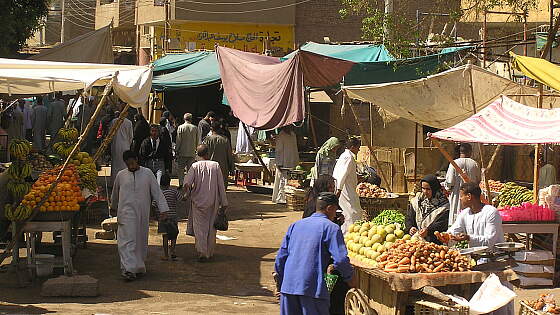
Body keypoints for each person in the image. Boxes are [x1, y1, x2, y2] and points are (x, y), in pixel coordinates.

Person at [275, 192, 354, 315]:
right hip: (312, 290)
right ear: (330, 208)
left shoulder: (295, 225)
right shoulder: (331, 228)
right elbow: (341, 260)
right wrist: (350, 279)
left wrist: (280, 283)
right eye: (335, 211)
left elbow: (281, 258)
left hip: (288, 287)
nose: (335, 215)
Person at [445, 182, 511, 315]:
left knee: (497, 303)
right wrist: (446, 236)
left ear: (469, 196)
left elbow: (489, 241)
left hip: (495, 262)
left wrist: (468, 238)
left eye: (461, 196)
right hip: (477, 263)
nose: (460, 199)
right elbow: (453, 231)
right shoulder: (465, 214)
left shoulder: (491, 212)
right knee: (480, 302)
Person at [111, 150, 169, 281]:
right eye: (128, 164)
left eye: (132, 163)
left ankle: (138, 267)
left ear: (137, 160)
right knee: (126, 241)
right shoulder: (121, 175)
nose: (131, 166)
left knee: (140, 240)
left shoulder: (147, 174)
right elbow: (115, 193)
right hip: (125, 214)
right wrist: (113, 207)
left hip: (142, 213)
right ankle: (128, 269)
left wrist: (163, 210)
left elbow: (157, 192)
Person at [184, 144, 228, 261]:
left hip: (198, 202)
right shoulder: (215, 165)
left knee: (200, 228)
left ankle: (202, 252)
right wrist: (224, 203)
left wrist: (186, 194)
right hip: (213, 202)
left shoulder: (194, 166)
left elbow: (187, 183)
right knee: (211, 228)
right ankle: (209, 252)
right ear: (208, 154)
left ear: (197, 154)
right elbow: (220, 185)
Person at [406, 175, 450, 244]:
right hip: (416, 242)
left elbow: (442, 224)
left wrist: (428, 231)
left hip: (434, 242)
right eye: (423, 188)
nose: (425, 192)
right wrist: (410, 227)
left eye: (428, 189)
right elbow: (409, 217)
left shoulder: (444, 206)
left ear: (434, 188)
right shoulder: (417, 201)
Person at [444, 143, 481, 225]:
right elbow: (478, 181)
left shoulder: (453, 163)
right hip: (471, 198)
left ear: (460, 152)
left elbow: (449, 183)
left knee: (456, 220)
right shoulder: (475, 164)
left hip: (458, 197)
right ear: (470, 152)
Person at [332, 137, 363, 234]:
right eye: (358, 147)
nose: (358, 150)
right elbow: (342, 174)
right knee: (351, 212)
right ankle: (348, 234)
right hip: (345, 189)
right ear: (353, 147)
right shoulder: (348, 157)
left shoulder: (346, 156)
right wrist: (339, 189)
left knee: (352, 211)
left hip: (347, 187)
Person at [156, 173, 181, 261]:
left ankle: (166, 255)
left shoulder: (159, 194)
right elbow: (181, 198)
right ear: (169, 182)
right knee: (174, 235)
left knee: (165, 237)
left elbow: (154, 205)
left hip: (163, 218)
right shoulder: (174, 191)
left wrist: (156, 214)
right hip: (173, 217)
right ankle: (173, 252)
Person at [272, 126, 299, 204]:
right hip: (284, 162)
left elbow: (295, 148)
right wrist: (279, 163)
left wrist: (296, 161)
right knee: (283, 181)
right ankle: (281, 199)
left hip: (292, 161)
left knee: (291, 181)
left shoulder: (293, 135)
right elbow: (278, 151)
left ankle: (289, 198)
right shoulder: (281, 136)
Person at [203, 121, 234, 188]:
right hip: (222, 168)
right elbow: (229, 155)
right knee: (222, 188)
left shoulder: (207, 139)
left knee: (210, 187)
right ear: (220, 129)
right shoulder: (225, 139)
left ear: (211, 129)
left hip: (209, 167)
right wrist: (232, 168)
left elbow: (203, 154)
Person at [110, 112, 133, 186]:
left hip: (116, 145)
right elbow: (131, 136)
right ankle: (124, 183)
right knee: (124, 165)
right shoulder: (129, 123)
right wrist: (128, 144)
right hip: (125, 145)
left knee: (115, 165)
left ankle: (115, 183)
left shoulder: (114, 121)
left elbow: (110, 134)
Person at [175, 113, 198, 186]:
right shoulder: (195, 128)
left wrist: (176, 150)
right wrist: (196, 150)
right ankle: (189, 184)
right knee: (190, 170)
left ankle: (181, 183)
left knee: (180, 169)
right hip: (191, 152)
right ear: (191, 119)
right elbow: (197, 140)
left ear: (184, 119)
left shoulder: (180, 127)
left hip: (182, 152)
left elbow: (178, 140)